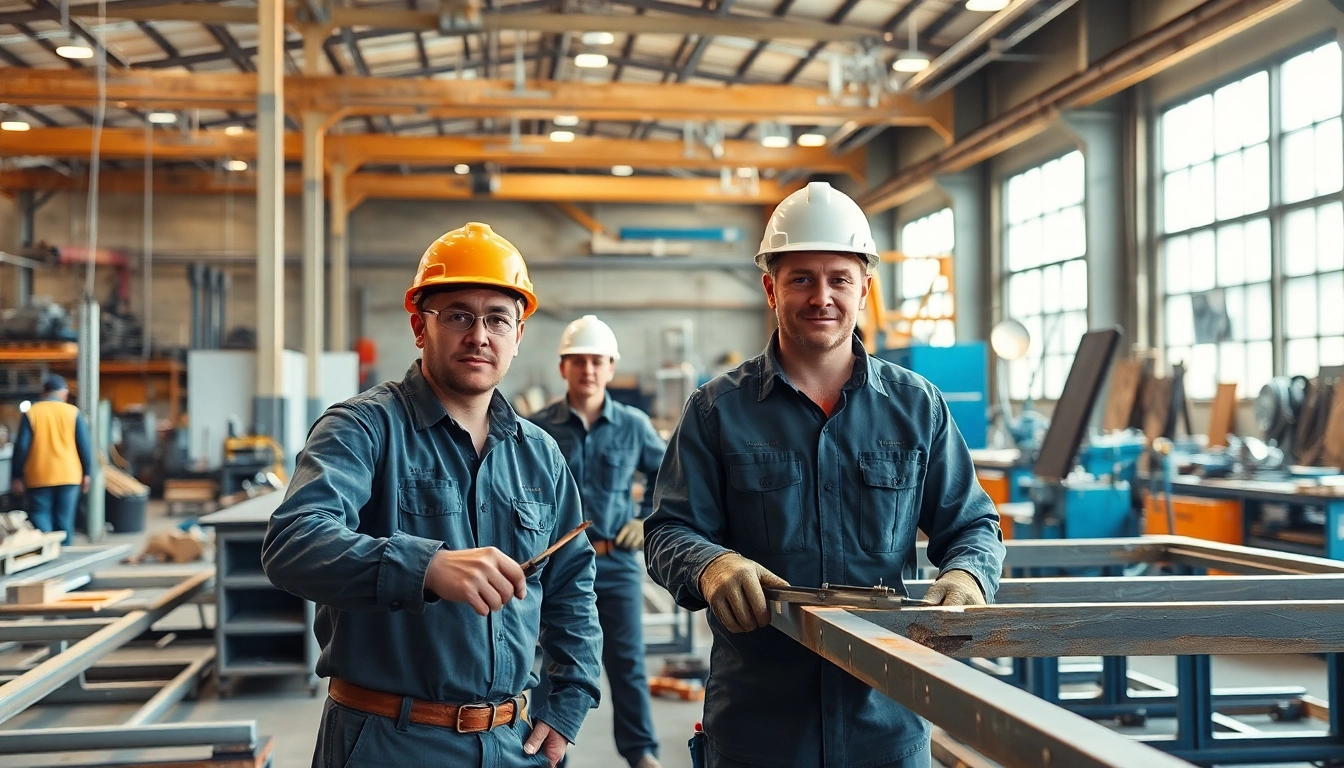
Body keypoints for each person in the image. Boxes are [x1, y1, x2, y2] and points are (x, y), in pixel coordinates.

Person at [644, 182, 1006, 768]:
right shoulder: (716, 411)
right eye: (801, 279)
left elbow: (973, 524)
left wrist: (968, 577)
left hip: (885, 727)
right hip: (758, 733)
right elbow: (666, 532)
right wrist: (711, 564)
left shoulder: (918, 408)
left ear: (864, 286)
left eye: (839, 278)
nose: (822, 297)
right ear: (770, 288)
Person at [262, 222, 602, 768]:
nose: (479, 335)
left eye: (497, 318)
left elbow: (572, 587)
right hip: (390, 742)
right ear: (420, 327)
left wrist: (568, 705)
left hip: (514, 743)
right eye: (459, 315)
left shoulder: (540, 454)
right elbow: (294, 544)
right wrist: (426, 566)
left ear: (519, 335)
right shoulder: (362, 428)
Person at [527, 315, 666, 768]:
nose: (588, 370)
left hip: (615, 562)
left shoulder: (633, 425)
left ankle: (640, 752)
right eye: (579, 361)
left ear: (610, 368)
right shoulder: (536, 428)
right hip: (556, 568)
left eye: (597, 362)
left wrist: (648, 521)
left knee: (627, 663)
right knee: (554, 662)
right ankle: (550, 756)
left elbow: (670, 478)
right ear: (563, 367)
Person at [11, 374, 91, 545]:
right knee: (64, 520)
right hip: (69, 475)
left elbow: (22, 447)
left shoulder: (31, 413)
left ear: (44, 392)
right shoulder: (73, 412)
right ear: (64, 394)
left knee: (40, 515)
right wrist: (87, 473)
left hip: (39, 474)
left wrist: (16, 476)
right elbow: (84, 446)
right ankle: (65, 559)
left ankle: (47, 555)